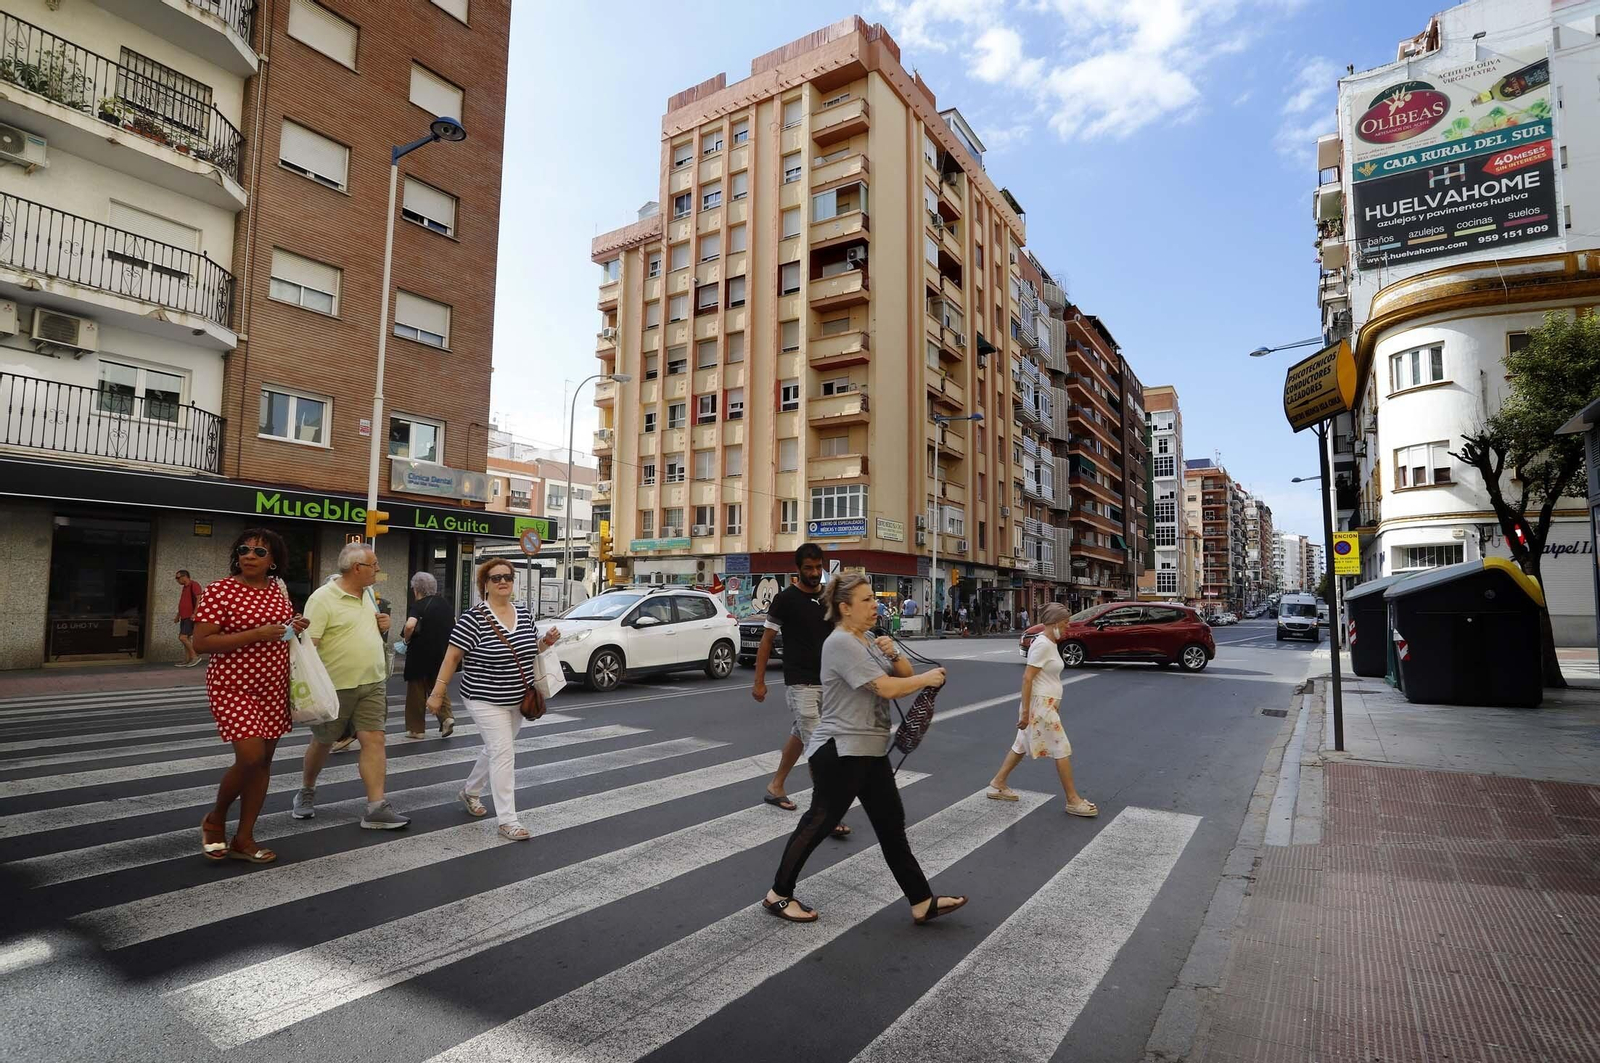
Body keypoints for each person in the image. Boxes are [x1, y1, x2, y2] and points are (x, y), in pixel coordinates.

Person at [763, 571, 965, 925]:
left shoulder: (868, 638)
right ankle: (779, 894)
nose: (876, 605)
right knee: (819, 822)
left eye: (874, 598)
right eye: (867, 600)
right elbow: (886, 688)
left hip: (869, 751)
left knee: (891, 825)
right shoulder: (840, 642)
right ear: (845, 608)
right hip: (841, 750)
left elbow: (900, 673)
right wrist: (927, 679)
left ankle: (921, 901)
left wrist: (893, 650)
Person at [192, 529, 308, 864]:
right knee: (251, 757)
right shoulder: (220, 591)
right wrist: (254, 634)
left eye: (260, 552)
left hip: (273, 687)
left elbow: (280, 630)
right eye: (244, 549)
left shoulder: (278, 590)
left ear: (273, 561)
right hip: (232, 686)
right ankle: (215, 819)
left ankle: (244, 837)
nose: (250, 556)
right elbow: (201, 642)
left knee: (263, 763)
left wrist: (295, 625)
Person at [427, 558, 560, 841]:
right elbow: (452, 656)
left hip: (517, 697)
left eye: (508, 577)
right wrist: (438, 692)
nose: (503, 581)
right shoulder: (472, 618)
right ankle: (508, 821)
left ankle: (470, 791)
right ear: (485, 584)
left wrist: (545, 642)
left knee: (496, 748)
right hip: (483, 697)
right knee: (503, 752)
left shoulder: (524, 614)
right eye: (496, 577)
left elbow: (529, 648)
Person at [291, 542, 409, 830]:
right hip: (334, 687)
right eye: (374, 565)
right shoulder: (323, 599)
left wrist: (384, 625)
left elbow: (368, 630)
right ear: (357, 568)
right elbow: (310, 646)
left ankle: (376, 807)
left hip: (372, 682)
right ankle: (307, 790)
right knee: (323, 742)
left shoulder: (368, 593)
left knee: (374, 740)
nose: (378, 570)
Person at [752, 544, 849, 840]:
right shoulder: (785, 600)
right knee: (818, 748)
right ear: (798, 569)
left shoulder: (827, 597)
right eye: (808, 568)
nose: (814, 572)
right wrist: (759, 681)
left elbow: (840, 634)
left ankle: (776, 786)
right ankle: (827, 815)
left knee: (801, 733)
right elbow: (767, 640)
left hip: (828, 682)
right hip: (800, 683)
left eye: (818, 567)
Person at [987, 602, 1097, 817]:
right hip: (1040, 706)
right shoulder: (1042, 644)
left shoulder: (1050, 642)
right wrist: (1026, 712)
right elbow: (1028, 678)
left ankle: (998, 783)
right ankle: (1073, 800)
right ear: (1054, 623)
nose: (1067, 628)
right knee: (1061, 748)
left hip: (1045, 704)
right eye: (1065, 623)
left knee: (1020, 745)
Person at [401, 572, 456, 739]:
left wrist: (406, 639)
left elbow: (410, 625)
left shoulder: (418, 606)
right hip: (441, 652)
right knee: (437, 685)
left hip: (419, 654)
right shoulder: (445, 604)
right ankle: (446, 718)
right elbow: (453, 622)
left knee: (416, 691)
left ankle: (416, 729)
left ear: (417, 589)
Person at [173, 570, 205, 668]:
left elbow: (199, 599)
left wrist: (195, 613)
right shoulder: (185, 588)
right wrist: (178, 615)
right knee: (186, 638)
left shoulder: (193, 585)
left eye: (178, 578)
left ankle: (194, 656)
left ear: (184, 576)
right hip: (184, 616)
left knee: (182, 637)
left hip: (190, 616)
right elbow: (183, 602)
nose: (177, 580)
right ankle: (187, 659)